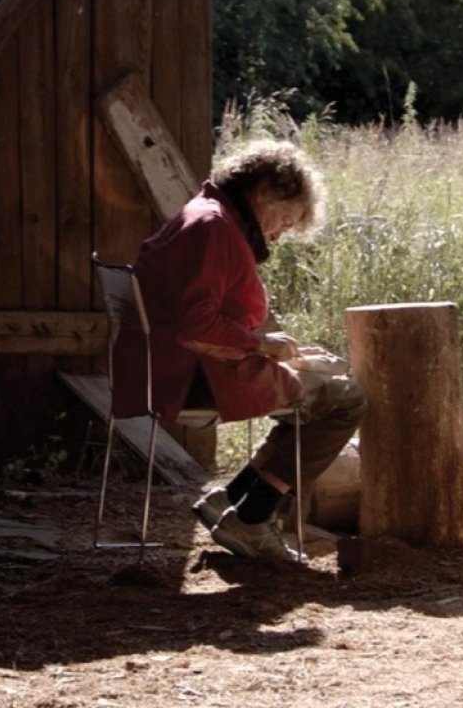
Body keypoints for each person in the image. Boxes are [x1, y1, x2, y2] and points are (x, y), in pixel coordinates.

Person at [110, 138, 366, 562]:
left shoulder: (208, 215)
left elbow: (199, 318)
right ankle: (251, 518)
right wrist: (260, 344)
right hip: (188, 375)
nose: (282, 232)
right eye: (286, 218)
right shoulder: (213, 228)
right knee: (345, 399)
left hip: (176, 366)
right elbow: (195, 325)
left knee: (317, 391)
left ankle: (232, 497)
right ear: (263, 193)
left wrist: (268, 349)